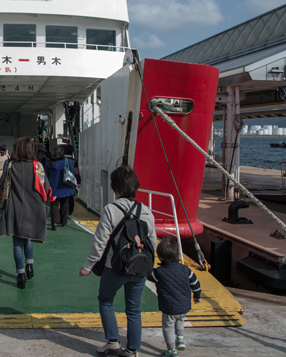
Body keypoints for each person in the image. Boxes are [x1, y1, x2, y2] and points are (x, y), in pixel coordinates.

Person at [78, 166, 157, 357]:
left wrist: (87, 267)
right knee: (134, 309)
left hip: (114, 267)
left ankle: (113, 342)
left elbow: (100, 242)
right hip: (138, 267)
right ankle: (132, 350)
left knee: (105, 300)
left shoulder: (110, 210)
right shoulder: (146, 211)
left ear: (115, 187)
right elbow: (152, 242)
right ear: (135, 186)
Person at [0, 137, 50, 289]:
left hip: (15, 207)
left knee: (17, 243)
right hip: (34, 207)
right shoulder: (37, 166)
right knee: (29, 238)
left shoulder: (10, 165)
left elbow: (2, 186)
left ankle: (20, 275)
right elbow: (45, 187)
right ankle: (30, 266)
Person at [148, 237, 201, 357]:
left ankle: (171, 351)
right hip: (184, 306)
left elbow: (148, 274)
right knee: (180, 319)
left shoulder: (159, 273)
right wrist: (197, 296)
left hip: (169, 308)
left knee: (168, 327)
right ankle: (180, 339)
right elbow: (195, 283)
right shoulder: (185, 269)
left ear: (160, 257)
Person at [45, 145, 76, 229]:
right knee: (64, 204)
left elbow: (46, 175)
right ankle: (64, 222)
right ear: (62, 152)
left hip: (53, 187)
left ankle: (54, 223)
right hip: (65, 186)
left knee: (54, 205)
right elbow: (73, 171)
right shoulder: (67, 161)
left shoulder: (49, 162)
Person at [62, 144, 80, 215]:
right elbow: (77, 172)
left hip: (63, 180)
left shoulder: (62, 160)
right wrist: (78, 181)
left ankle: (63, 211)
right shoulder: (74, 161)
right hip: (71, 181)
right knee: (71, 197)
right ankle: (70, 211)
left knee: (63, 197)